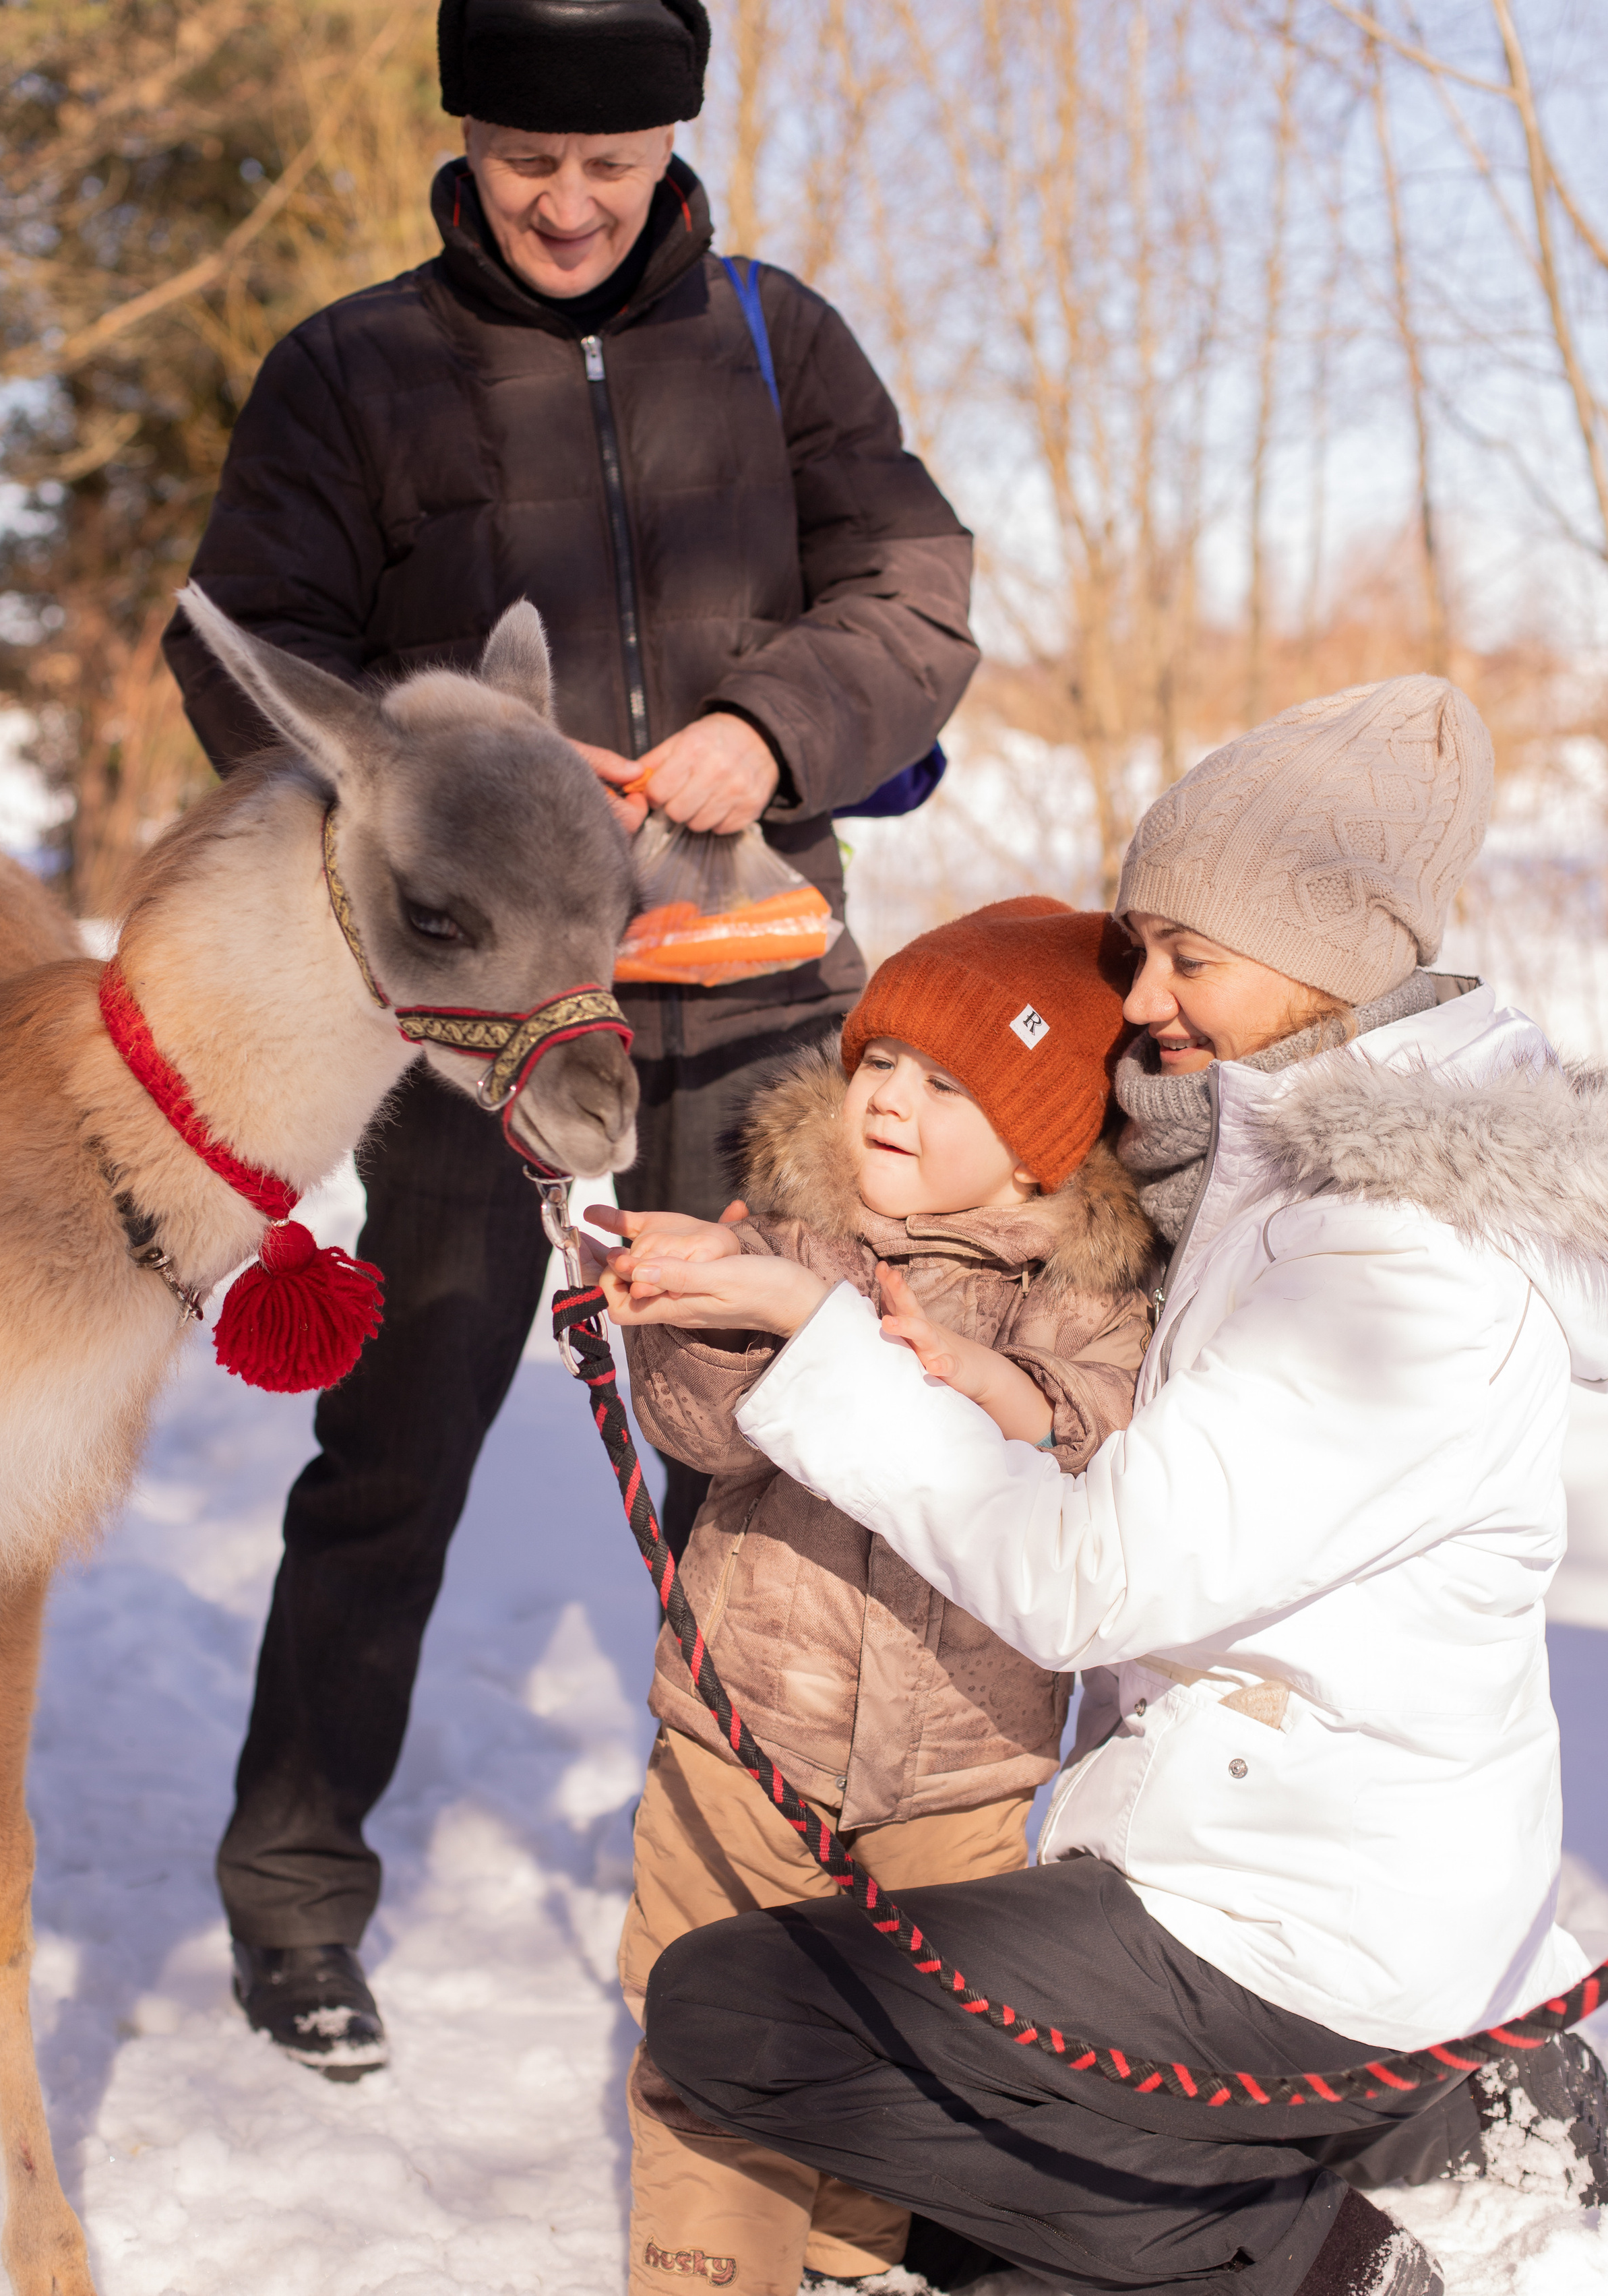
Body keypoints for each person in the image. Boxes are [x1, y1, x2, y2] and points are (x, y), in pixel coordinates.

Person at [160, 0, 977, 2073]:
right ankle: (293, 1895)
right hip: (481, 1028)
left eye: (611, 162)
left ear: (672, 146)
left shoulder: (782, 341)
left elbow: (914, 597)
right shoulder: (351, 368)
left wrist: (765, 727)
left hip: (757, 1003)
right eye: (529, 156)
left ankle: (761, 1909)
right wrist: (453, 782)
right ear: (467, 133)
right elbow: (244, 656)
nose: (567, 200)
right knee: (399, 1449)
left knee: (776, 1457)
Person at [604, 675, 1608, 2296]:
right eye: (1140, 950)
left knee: (746, 2015)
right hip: (1279, 1846)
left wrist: (820, 1334)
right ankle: (1414, 2108)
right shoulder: (1282, 1154)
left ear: (1328, 951)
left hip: (1294, 1923)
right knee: (987, 2222)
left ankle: (1309, 2253)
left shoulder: (1393, 1267)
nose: (1139, 998)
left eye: (1184, 957)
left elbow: (1082, 1582)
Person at [596, 900, 1155, 2295]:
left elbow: (1106, 1434)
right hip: (742, 1739)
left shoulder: (1087, 1293)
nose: (890, 1100)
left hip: (964, 1770)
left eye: (946, 1084)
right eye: (879, 1065)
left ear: (1038, 1143)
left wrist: (1005, 1388)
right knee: (708, 2009)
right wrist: (713, 1312)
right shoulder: (797, 1235)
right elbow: (698, 1435)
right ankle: (708, 2270)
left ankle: (856, 2257)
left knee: (908, 2039)